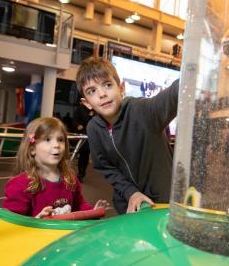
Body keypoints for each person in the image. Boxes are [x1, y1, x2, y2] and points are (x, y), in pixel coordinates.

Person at [76, 57, 178, 214]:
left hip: (162, 204)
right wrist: (131, 192)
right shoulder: (94, 128)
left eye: (107, 85)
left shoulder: (143, 111)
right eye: (92, 91)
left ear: (121, 88)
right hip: (128, 205)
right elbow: (106, 167)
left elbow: (173, 95)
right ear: (87, 103)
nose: (102, 94)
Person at [2, 117, 108, 218]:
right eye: (48, 140)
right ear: (32, 150)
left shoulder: (69, 177)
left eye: (60, 140)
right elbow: (12, 220)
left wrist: (92, 212)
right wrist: (38, 219)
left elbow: (78, 204)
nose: (57, 145)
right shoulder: (21, 183)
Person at [73, 102, 95, 182]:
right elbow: (74, 119)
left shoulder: (94, 109)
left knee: (86, 155)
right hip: (82, 134)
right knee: (82, 154)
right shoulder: (80, 108)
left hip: (90, 135)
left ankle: (83, 172)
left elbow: (94, 122)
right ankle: (80, 173)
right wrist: (77, 125)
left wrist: (91, 115)